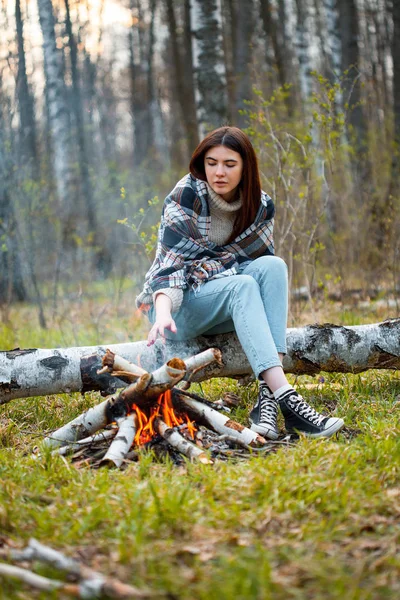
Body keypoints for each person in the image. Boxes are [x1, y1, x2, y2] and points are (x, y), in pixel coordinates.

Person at [136, 126, 344, 440]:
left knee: (273, 266)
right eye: (211, 162)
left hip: (225, 300)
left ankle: (268, 401)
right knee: (242, 285)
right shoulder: (186, 196)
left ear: (246, 166)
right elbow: (170, 268)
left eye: (229, 164)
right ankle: (288, 398)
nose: (219, 172)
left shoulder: (260, 206)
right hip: (178, 308)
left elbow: (256, 268)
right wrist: (163, 312)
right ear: (201, 163)